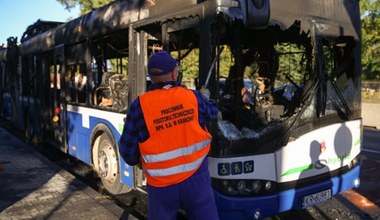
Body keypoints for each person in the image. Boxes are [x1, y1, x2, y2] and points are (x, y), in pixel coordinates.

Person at [118, 51, 219, 220]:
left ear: (151, 76)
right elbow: (212, 112)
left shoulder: (139, 106)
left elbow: (127, 152)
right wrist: (205, 98)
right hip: (196, 179)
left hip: (161, 184)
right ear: (173, 73)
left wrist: (142, 162)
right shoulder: (192, 97)